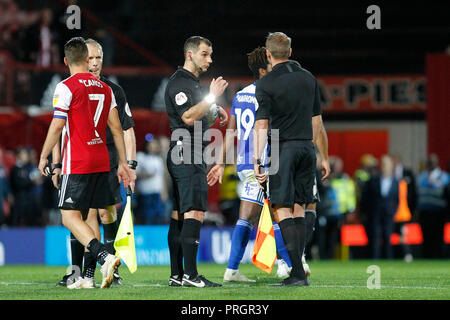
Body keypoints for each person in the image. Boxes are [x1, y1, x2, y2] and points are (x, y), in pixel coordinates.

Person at [38, 37, 134, 289]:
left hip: (78, 160)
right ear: (85, 59)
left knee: (69, 218)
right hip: (103, 159)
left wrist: (44, 156)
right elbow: (116, 128)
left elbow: (57, 126)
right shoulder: (106, 88)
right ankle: (87, 278)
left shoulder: (66, 86)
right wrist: (123, 162)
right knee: (92, 215)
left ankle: (105, 256)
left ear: (67, 61)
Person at [253, 32, 327, 286]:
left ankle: (296, 272)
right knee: (300, 208)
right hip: (307, 147)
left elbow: (262, 124)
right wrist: (314, 151)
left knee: (281, 207)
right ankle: (299, 267)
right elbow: (317, 121)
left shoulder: (266, 83)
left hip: (282, 148)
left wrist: (257, 159)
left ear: (268, 54)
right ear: (291, 52)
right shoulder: (309, 78)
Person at [165, 36, 228, 287]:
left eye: (210, 54)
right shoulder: (180, 82)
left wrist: (213, 111)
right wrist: (212, 98)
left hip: (185, 151)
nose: (210, 59)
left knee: (179, 213)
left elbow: (197, 118)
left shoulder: (190, 83)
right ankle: (191, 275)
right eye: (205, 54)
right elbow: (189, 117)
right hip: (186, 153)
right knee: (195, 211)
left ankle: (177, 274)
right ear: (190, 54)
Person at [360, 155, 399, 259]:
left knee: (387, 238)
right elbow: (365, 198)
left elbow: (398, 200)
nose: (384, 166)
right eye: (382, 164)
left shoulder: (396, 182)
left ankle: (388, 262)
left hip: (388, 215)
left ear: (391, 166)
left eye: (386, 164)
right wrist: (365, 212)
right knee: (374, 239)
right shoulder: (373, 180)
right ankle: (374, 261)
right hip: (375, 214)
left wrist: (393, 211)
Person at [417, 154, 449, 258]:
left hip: (438, 212)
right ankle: (426, 257)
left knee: (438, 236)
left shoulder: (445, 177)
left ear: (437, 163)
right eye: (429, 162)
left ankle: (438, 257)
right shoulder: (421, 177)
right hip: (424, 212)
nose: (430, 164)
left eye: (433, 162)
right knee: (426, 237)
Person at [135, 137, 166, 225]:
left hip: (156, 192)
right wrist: (147, 175)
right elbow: (135, 174)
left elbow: (161, 177)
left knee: (158, 216)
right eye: (150, 145)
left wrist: (164, 192)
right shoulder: (140, 156)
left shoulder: (158, 159)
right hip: (145, 193)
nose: (152, 147)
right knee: (145, 216)